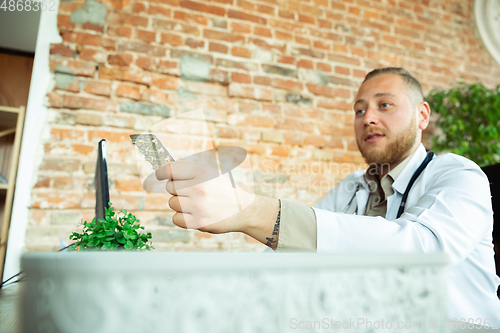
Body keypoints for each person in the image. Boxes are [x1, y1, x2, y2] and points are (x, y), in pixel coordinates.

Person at [154, 67, 500, 323]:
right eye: (359, 110)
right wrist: (196, 286)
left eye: (385, 105)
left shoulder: (459, 175)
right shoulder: (354, 186)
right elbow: (294, 255)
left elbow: (422, 250)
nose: (368, 118)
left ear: (422, 115)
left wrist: (251, 210)